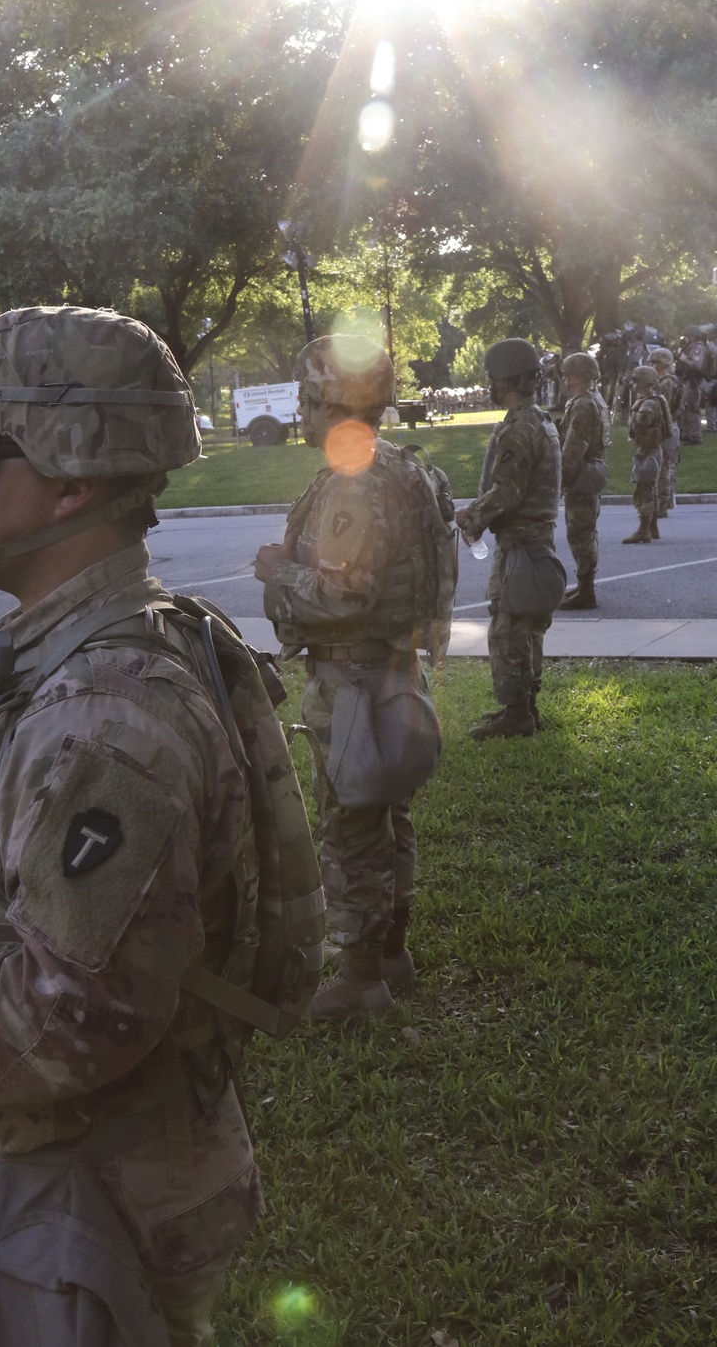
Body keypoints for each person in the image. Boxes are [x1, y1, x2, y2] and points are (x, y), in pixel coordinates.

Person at [0, 307, 280, 1346]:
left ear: (73, 480)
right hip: (74, 1169)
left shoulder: (104, 711)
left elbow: (75, 1014)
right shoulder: (78, 653)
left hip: (89, 1201)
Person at [255, 335, 455, 1021]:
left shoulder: (354, 483)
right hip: (393, 669)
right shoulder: (403, 468)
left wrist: (277, 572)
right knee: (389, 815)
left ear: (334, 404)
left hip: (354, 682)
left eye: (307, 401)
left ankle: (360, 978)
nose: (301, 415)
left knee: (352, 827)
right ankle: (391, 950)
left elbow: (348, 593)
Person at [455, 338, 562, 740]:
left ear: (504, 379)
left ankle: (517, 714)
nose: (489, 384)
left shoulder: (519, 429)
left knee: (508, 630)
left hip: (521, 544)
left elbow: (508, 493)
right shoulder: (541, 421)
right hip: (534, 541)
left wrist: (472, 517)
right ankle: (525, 706)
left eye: (491, 378)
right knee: (528, 628)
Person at [557, 352, 610, 611]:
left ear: (577, 374)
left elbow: (573, 449)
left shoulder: (583, 405)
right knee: (586, 532)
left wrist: (559, 482)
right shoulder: (593, 400)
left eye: (568, 372)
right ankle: (584, 585)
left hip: (581, 476)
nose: (565, 377)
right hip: (590, 473)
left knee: (579, 533)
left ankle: (586, 592)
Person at [623, 364, 673, 545]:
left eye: (637, 380)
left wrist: (634, 416)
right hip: (651, 449)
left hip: (647, 450)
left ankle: (644, 530)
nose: (634, 383)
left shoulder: (649, 403)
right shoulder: (652, 399)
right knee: (649, 488)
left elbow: (641, 422)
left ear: (644, 381)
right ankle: (652, 528)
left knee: (644, 490)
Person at [649, 347, 683, 518]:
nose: (653, 365)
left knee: (664, 468)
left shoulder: (667, 382)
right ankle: (664, 501)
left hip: (666, 427)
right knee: (665, 466)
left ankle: (662, 504)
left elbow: (665, 408)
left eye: (655, 362)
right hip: (667, 426)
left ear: (663, 363)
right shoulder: (663, 381)